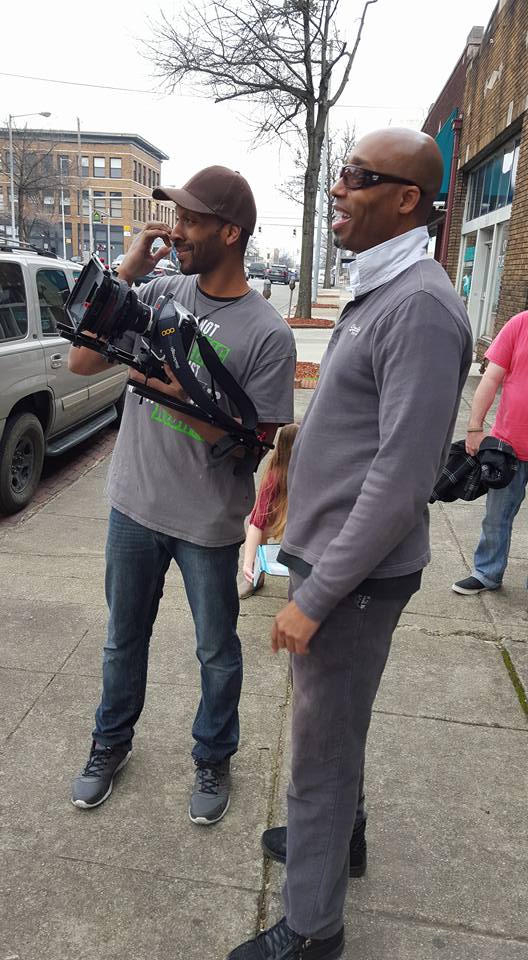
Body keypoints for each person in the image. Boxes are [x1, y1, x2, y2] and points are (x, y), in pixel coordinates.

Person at [227, 128, 473, 960]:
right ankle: (341, 841)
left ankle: (311, 930)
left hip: (355, 578)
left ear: (406, 199)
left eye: (357, 176)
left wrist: (316, 598)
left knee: (319, 757)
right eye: (340, 173)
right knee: (333, 730)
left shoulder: (421, 308)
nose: (338, 188)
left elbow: (403, 481)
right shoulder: (383, 287)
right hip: (333, 557)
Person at [68, 165, 296, 825]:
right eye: (178, 218)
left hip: (208, 520)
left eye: (193, 220)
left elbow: (257, 442)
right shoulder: (159, 289)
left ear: (231, 233)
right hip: (134, 504)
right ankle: (109, 743)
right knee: (122, 639)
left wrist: (181, 398)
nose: (178, 230)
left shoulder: (268, 334)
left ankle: (213, 755)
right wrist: (128, 272)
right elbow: (82, 360)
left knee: (216, 651)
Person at [452, 311, 528, 595]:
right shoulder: (520, 324)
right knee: (496, 517)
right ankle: (487, 573)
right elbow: (491, 378)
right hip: (510, 446)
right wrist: (475, 427)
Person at [239, 423, 299, 599]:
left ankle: (299, 582)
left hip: (297, 522)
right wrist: (248, 563)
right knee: (261, 529)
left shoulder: (311, 472)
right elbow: (257, 522)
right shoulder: (274, 476)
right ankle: (254, 576)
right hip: (279, 518)